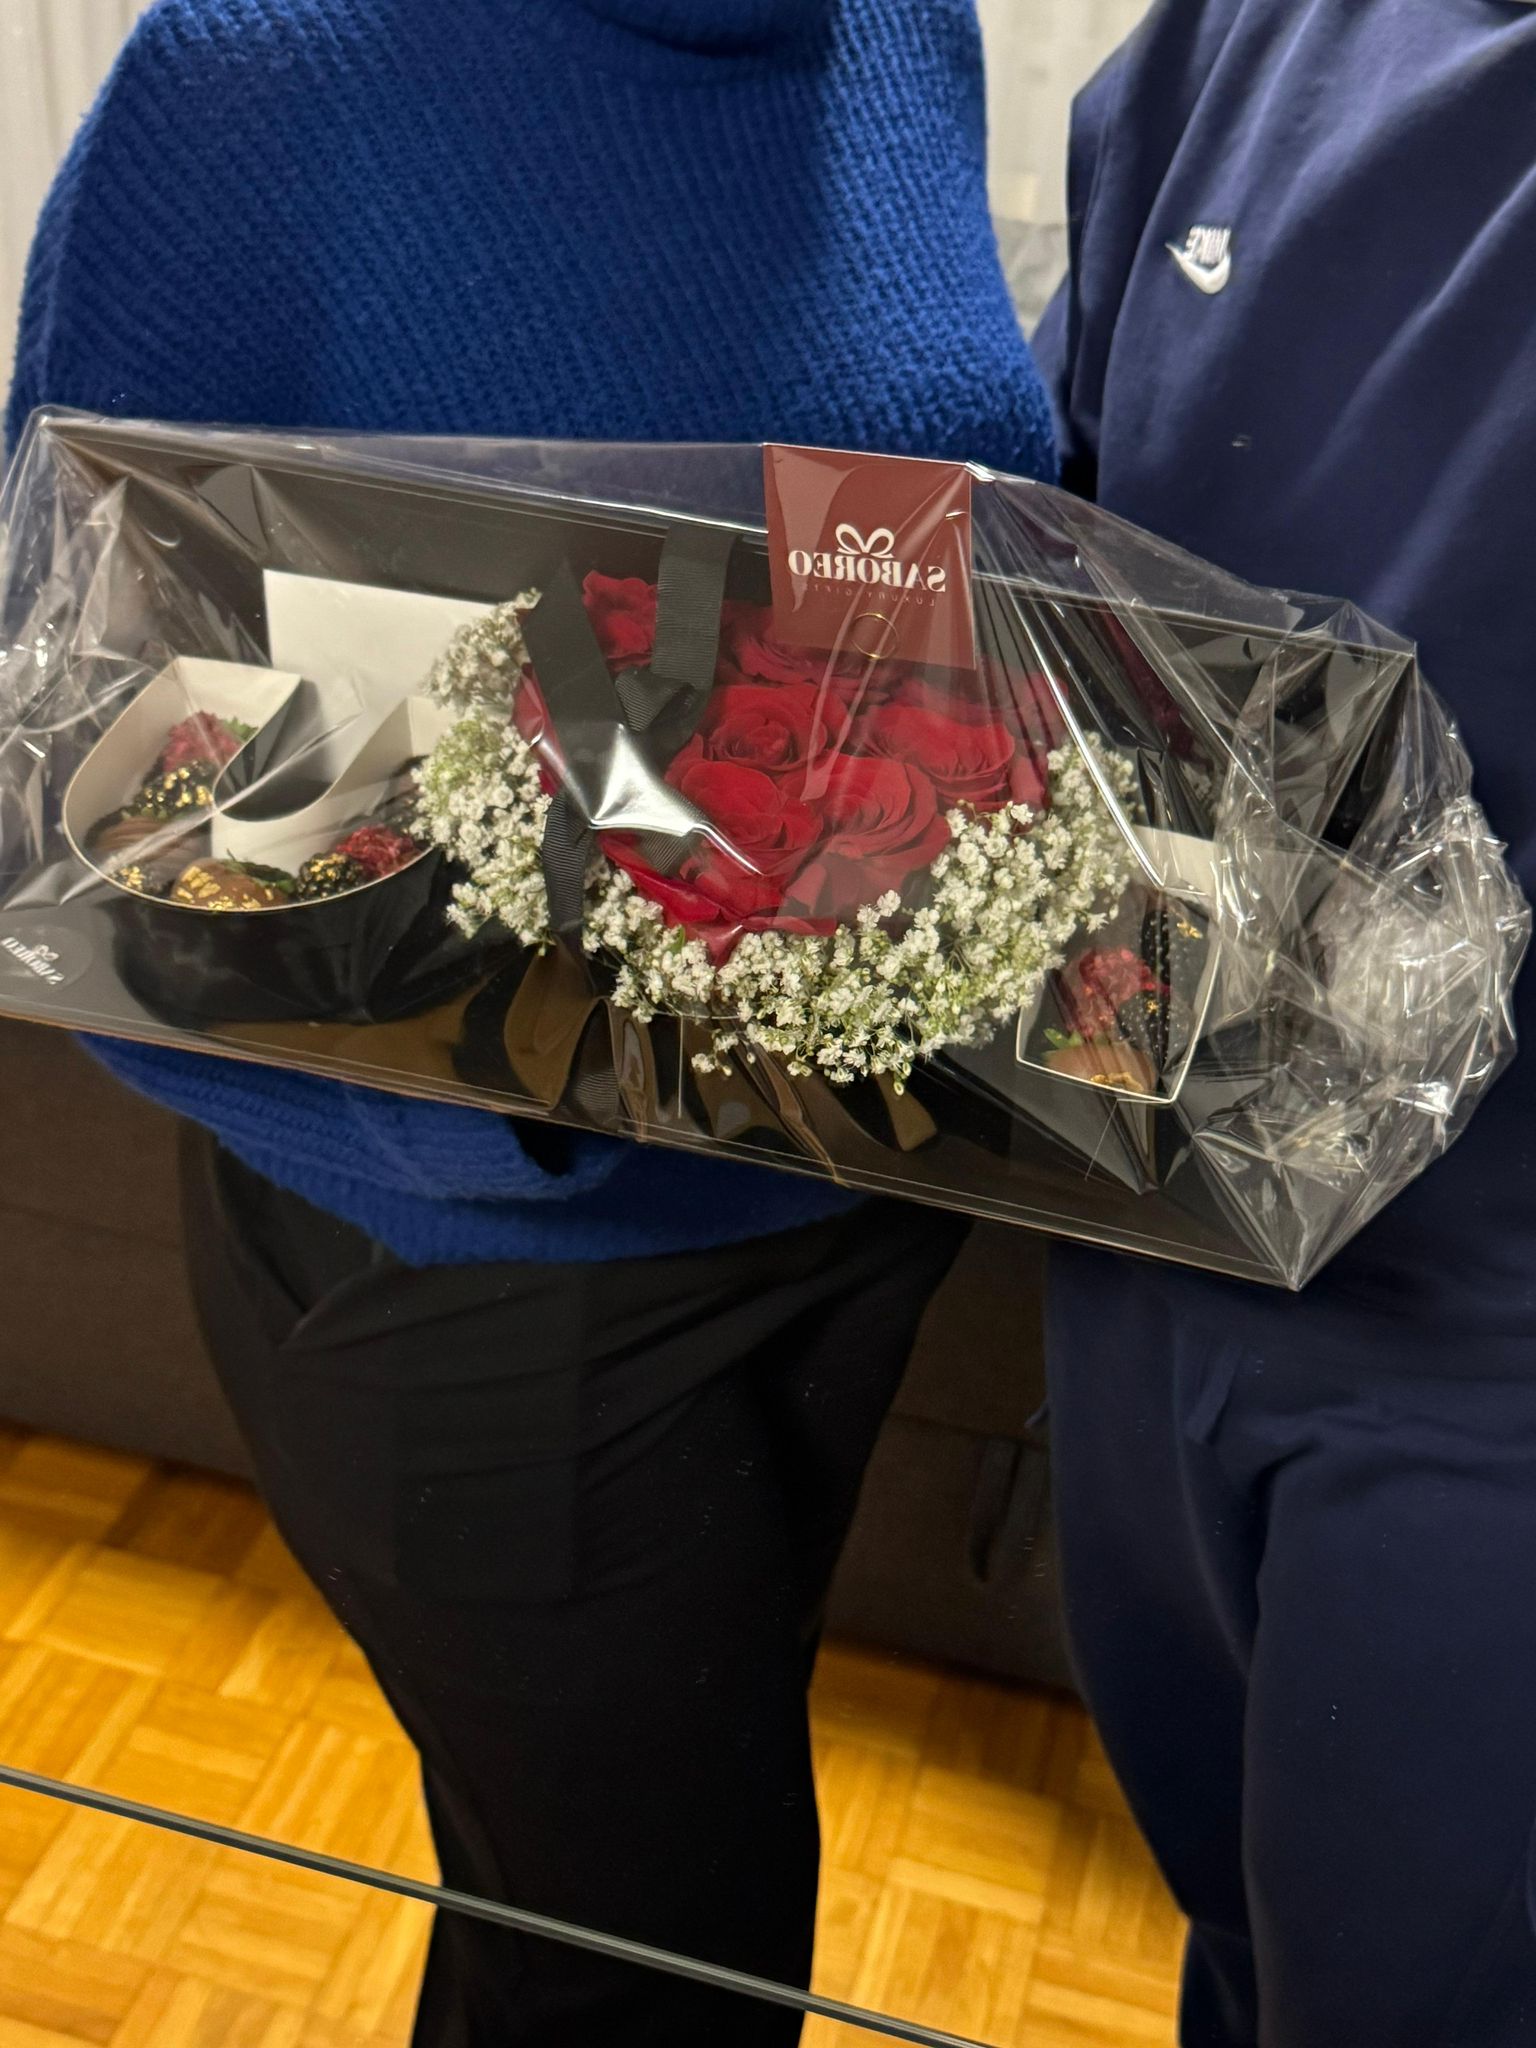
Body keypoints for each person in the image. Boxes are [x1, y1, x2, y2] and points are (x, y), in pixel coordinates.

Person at [6, 1, 1056, 2041]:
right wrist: (527, 990)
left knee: (579, 1919)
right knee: (670, 1959)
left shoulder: (898, 35)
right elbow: (85, 735)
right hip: (488, 1273)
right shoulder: (262, 71)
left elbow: (920, 534)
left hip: (846, 1201)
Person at [1033, 4, 1536, 2043]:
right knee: (1240, 1954)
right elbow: (1050, 532)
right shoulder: (1255, 25)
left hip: (1488, 1359)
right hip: (1154, 1249)